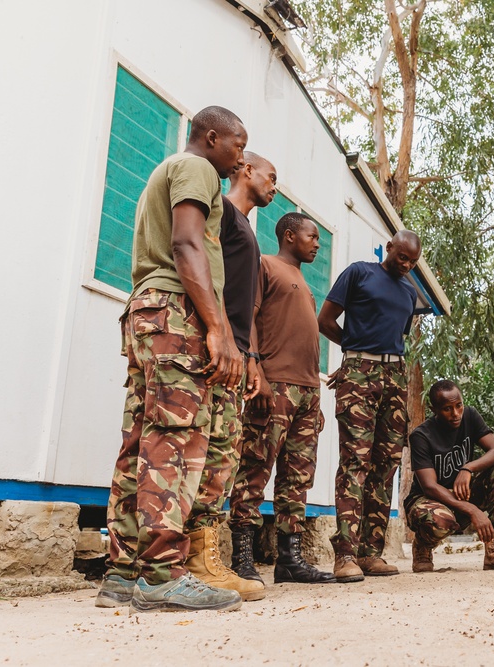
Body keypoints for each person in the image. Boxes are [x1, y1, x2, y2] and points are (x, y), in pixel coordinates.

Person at [96, 106, 248, 613]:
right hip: (174, 313)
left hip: (146, 312)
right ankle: (163, 572)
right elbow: (186, 245)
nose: (240, 159)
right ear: (211, 138)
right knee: (176, 439)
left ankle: (122, 572)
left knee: (142, 439)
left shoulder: (167, 173)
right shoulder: (197, 168)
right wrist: (218, 329)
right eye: (238, 147)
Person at [182, 152, 277, 602]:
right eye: (269, 176)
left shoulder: (245, 228)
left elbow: (245, 303)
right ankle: (193, 562)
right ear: (245, 171)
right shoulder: (221, 214)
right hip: (213, 348)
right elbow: (208, 277)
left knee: (222, 456)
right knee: (206, 455)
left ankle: (201, 559)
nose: (274, 186)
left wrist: (251, 354)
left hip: (236, 352)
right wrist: (219, 335)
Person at [228, 212, 337, 586]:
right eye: (313, 236)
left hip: (306, 390)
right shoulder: (265, 266)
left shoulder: (304, 283)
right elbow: (248, 320)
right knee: (255, 467)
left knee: (298, 478)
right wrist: (254, 370)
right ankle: (240, 556)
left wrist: (315, 395)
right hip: (274, 385)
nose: (318, 243)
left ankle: (289, 560)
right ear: (290, 236)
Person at [318, 230, 422, 582]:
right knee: (355, 461)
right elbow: (325, 320)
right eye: (402, 257)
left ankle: (370, 553)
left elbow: (395, 336)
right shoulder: (359, 273)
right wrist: (353, 356)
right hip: (359, 372)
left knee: (386, 464)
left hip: (395, 374)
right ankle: (344, 554)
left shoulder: (409, 292)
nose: (406, 265)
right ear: (389, 247)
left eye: (413, 261)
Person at [405, 381, 494, 573]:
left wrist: (467, 468)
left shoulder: (470, 416)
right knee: (440, 522)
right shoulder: (421, 436)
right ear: (433, 409)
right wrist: (472, 510)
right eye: (447, 409)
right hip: (429, 500)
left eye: (458, 405)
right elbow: (429, 486)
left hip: (463, 493)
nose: (456, 413)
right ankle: (423, 545)